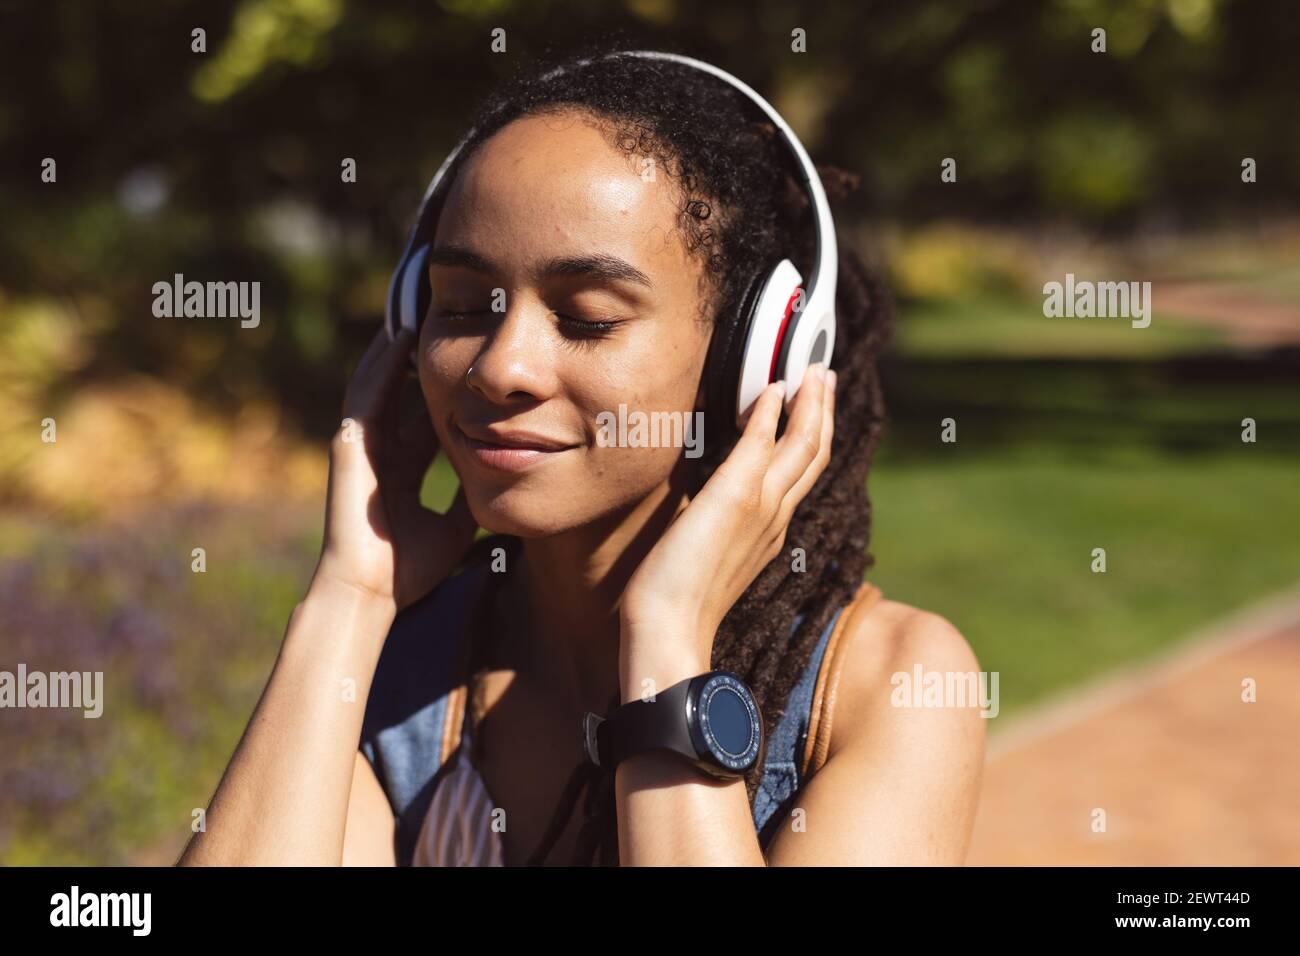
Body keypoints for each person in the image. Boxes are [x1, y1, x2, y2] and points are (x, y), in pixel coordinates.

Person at [179, 46, 985, 867]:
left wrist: (667, 648)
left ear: (757, 359)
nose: (499, 367)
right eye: (461, 305)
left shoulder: (889, 686)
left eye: (587, 317)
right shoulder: (398, 672)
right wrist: (350, 597)